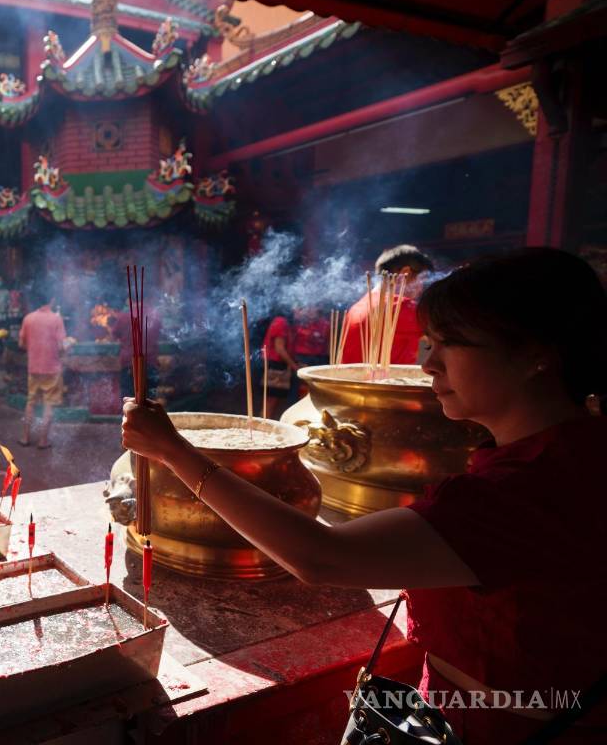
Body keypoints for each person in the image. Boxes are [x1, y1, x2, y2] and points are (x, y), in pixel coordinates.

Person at [123, 248, 607, 743]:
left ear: (535, 355)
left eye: (452, 344)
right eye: (430, 344)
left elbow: (321, 556)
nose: (429, 365)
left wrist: (173, 451)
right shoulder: (577, 447)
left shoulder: (527, 488)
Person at [342, 244, 434, 365]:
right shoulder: (403, 307)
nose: (421, 287)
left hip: (352, 377)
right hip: (387, 378)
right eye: (422, 279)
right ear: (405, 273)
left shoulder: (355, 308)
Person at [18, 287, 68, 449]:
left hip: (33, 367)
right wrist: (68, 346)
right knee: (48, 404)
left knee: (30, 402)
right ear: (51, 300)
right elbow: (62, 346)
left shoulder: (28, 319)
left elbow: (21, 344)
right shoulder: (56, 319)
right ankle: (43, 440)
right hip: (52, 368)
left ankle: (25, 437)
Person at [111, 302, 160, 401]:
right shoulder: (154, 316)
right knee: (150, 400)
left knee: (128, 400)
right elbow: (160, 333)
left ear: (130, 301)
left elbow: (114, 334)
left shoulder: (123, 317)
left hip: (129, 364)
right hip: (149, 364)